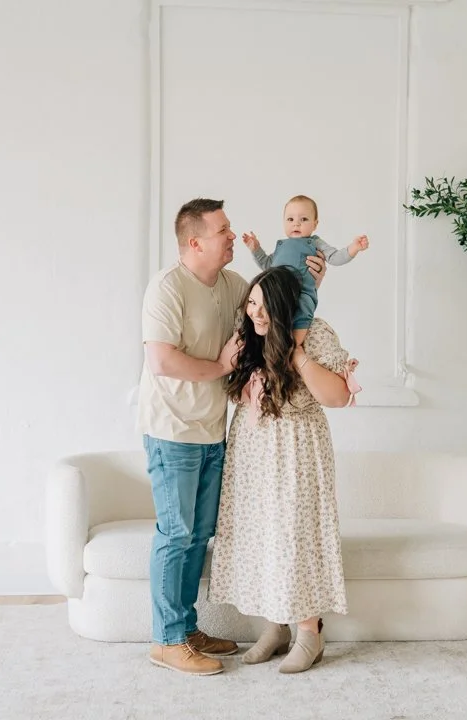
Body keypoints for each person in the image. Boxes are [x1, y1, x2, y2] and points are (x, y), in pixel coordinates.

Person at [138, 198, 326, 676]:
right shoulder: (167, 287)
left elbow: (274, 301)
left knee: (199, 535)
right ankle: (166, 640)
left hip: (213, 431)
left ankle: (187, 630)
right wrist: (221, 367)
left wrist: (311, 284)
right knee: (177, 534)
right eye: (223, 230)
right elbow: (161, 360)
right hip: (173, 431)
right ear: (194, 241)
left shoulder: (231, 285)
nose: (231, 236)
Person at [207, 265, 361, 674]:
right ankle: (274, 627)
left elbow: (338, 396)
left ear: (285, 307)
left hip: (296, 449)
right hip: (253, 452)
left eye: (264, 305)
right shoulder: (249, 336)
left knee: (295, 537)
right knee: (262, 537)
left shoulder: (313, 333)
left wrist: (298, 355)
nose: (256, 312)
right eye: (252, 302)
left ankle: (309, 633)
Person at [242, 194, 369, 349]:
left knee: (302, 309)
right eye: (290, 219)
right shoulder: (282, 246)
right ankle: (272, 345)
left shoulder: (314, 242)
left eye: (303, 219)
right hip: (279, 295)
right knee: (272, 312)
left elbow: (335, 257)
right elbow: (267, 265)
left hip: (302, 291)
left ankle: (293, 347)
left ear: (315, 224)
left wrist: (354, 248)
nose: (296, 224)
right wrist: (255, 249)